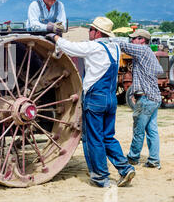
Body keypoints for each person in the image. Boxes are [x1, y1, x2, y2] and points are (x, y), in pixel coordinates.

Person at [46, 16, 136, 187]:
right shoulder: (115, 48)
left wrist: (55, 37)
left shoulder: (94, 47)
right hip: (110, 98)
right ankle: (125, 168)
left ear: (97, 32)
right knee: (108, 137)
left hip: (95, 98)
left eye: (91, 30)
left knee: (94, 138)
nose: (89, 32)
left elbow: (71, 49)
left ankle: (100, 177)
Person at [119, 29, 163, 169]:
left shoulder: (143, 50)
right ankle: (154, 160)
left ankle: (133, 157)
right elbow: (160, 71)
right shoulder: (148, 53)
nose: (132, 40)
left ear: (142, 40)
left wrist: (107, 41)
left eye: (134, 38)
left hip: (145, 98)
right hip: (154, 97)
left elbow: (123, 46)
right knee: (152, 130)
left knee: (138, 130)